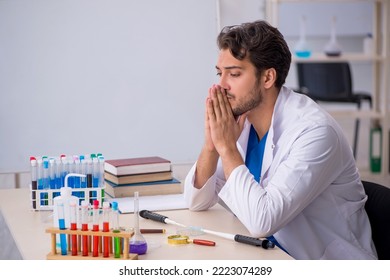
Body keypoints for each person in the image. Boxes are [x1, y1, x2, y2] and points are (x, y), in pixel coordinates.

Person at [184, 20, 377, 260]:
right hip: (269, 256)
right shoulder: (243, 123)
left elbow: (262, 221)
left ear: (267, 78)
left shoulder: (314, 132)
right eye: (219, 73)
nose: (221, 85)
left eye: (234, 74)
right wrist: (211, 146)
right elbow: (195, 201)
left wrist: (226, 147)